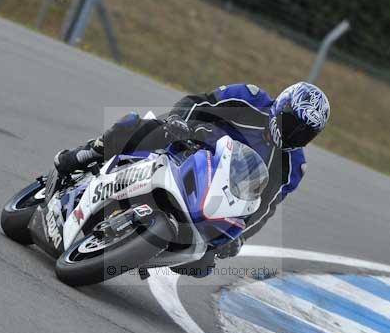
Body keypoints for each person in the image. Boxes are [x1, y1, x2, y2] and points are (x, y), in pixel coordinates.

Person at [53, 82, 330, 273]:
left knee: (199, 264)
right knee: (136, 127)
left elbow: (262, 208)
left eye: (304, 133)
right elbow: (198, 101)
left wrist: (235, 239)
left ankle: (134, 246)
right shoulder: (250, 98)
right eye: (292, 123)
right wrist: (177, 120)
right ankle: (86, 154)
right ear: (280, 106)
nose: (294, 134)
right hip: (186, 143)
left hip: (212, 191)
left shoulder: (292, 166)